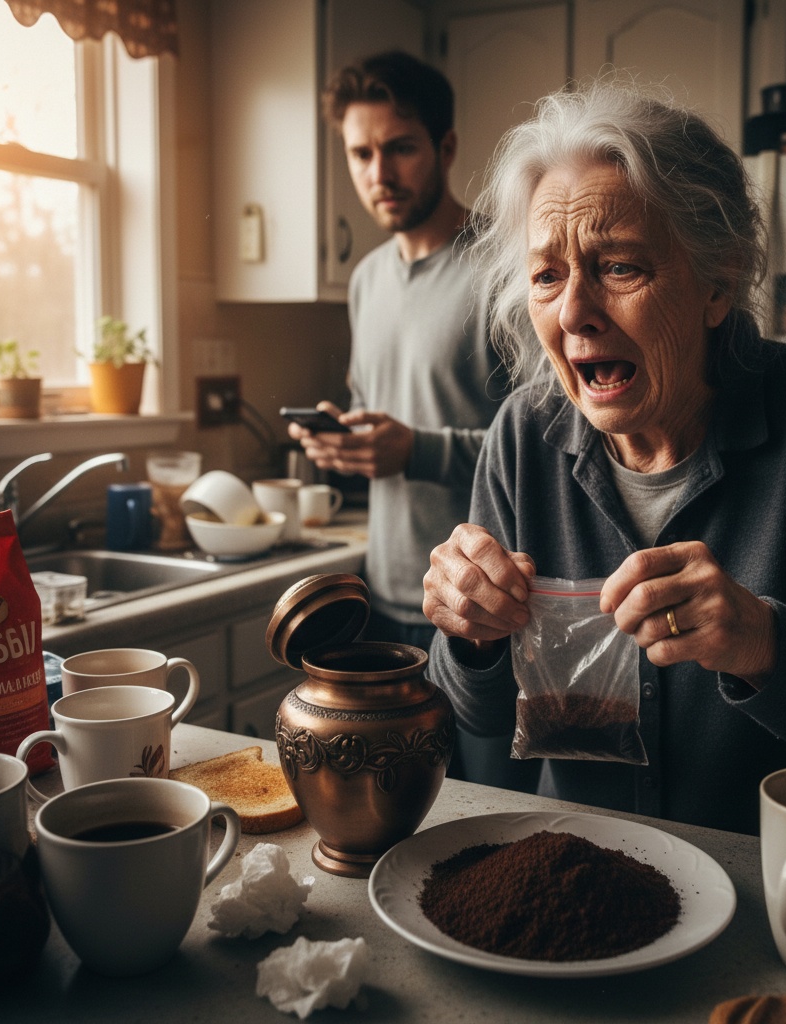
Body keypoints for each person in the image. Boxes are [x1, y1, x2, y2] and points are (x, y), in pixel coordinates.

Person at [422, 82, 786, 835]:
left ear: (718, 282)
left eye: (618, 266)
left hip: (779, 905)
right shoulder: (522, 436)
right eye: (547, 275)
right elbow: (475, 714)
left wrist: (764, 642)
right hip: (584, 889)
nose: (574, 312)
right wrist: (470, 634)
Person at [288, 51, 537, 791]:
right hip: (387, 599)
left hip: (485, 609)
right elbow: (388, 418)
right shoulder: (366, 280)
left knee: (490, 815)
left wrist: (416, 450)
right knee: (399, 822)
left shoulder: (506, 268)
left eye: (400, 147)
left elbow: (557, 440)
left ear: (446, 148)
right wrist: (343, 442)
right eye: (361, 153)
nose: (379, 173)